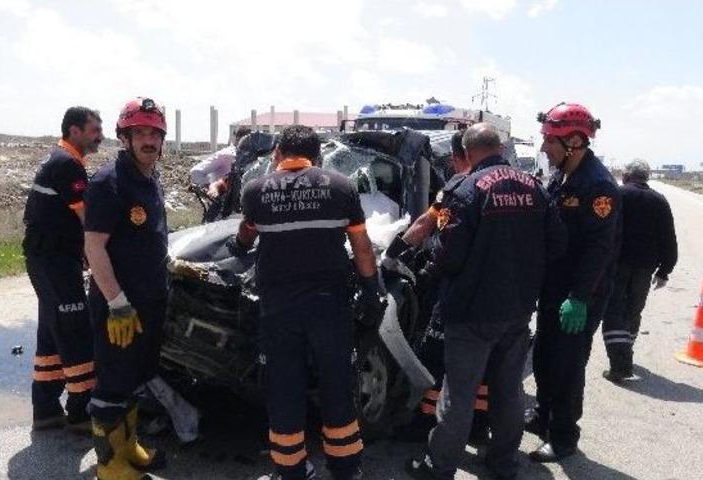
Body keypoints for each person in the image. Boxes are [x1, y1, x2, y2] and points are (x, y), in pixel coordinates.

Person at [405, 123, 566, 480]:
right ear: (500, 147)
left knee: (458, 395)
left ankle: (438, 465)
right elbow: (556, 246)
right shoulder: (536, 188)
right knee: (508, 391)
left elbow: (450, 256)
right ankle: (503, 463)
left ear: (468, 150)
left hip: (470, 311)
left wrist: (429, 265)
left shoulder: (463, 188)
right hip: (517, 310)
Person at [232, 125, 387, 480]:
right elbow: (361, 247)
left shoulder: (255, 191)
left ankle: (291, 469)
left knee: (284, 388)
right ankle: (346, 468)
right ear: (318, 156)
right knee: (337, 385)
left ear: (277, 155)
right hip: (330, 308)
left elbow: (246, 233)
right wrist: (370, 288)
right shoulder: (341, 187)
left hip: (278, 312)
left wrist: (239, 247)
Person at [528, 102, 621, 462]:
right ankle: (543, 415)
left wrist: (580, 297)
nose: (543, 149)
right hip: (555, 288)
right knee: (544, 356)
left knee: (567, 364)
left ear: (575, 142)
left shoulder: (598, 187)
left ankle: (564, 435)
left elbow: (601, 250)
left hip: (580, 296)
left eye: (550, 141)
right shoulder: (562, 175)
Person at [384, 130, 489, 446]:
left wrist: (393, 253)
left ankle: (423, 425)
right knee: (483, 363)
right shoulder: (511, 185)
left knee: (435, 354)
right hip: (498, 292)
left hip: (457, 288)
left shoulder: (458, 186)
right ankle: (479, 426)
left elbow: (425, 225)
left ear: (461, 158)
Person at [84, 97, 169, 480]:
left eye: (154, 133)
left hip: (149, 302)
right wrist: (117, 302)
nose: (148, 140)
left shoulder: (151, 179)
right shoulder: (109, 183)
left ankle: (128, 446)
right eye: (140, 133)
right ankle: (108, 464)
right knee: (113, 382)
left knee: (136, 376)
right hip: (119, 307)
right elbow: (94, 247)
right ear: (125, 137)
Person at [23, 106, 103, 433]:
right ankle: (82, 413)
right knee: (75, 330)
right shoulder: (68, 165)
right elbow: (89, 223)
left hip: (48, 258)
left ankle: (45, 410)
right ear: (74, 131)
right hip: (54, 260)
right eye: (93, 129)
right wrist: (100, 260)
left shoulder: (62, 159)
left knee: (52, 333)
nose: (99, 135)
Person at [602, 160, 677, 381]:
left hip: (618, 265)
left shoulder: (617, 194)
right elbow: (669, 238)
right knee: (633, 311)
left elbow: (604, 230)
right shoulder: (660, 200)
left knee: (614, 311)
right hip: (645, 269)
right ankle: (625, 355)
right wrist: (665, 270)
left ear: (626, 176)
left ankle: (620, 366)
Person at [190, 125, 253, 198]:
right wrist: (212, 186)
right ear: (237, 138)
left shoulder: (253, 157)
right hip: (222, 202)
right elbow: (196, 172)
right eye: (245, 138)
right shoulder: (226, 155)